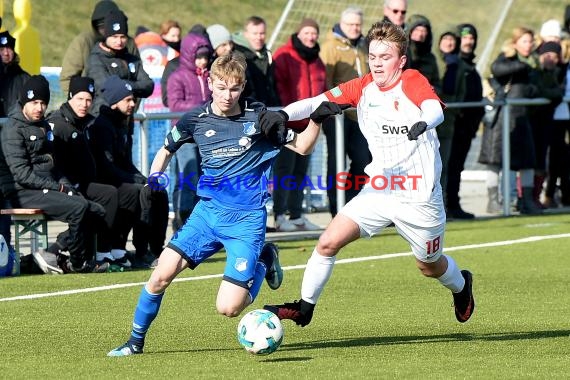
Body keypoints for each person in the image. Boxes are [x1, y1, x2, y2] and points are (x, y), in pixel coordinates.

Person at [106, 52, 345, 356]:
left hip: (245, 221)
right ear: (210, 83)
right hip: (206, 215)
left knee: (229, 308)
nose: (226, 95)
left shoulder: (260, 118)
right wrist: (155, 176)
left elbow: (302, 147)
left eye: (233, 88)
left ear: (243, 85)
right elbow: (166, 149)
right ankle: (134, 343)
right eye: (220, 87)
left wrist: (316, 120)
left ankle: (263, 259)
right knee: (159, 277)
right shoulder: (196, 118)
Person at [263, 22, 475, 328]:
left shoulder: (412, 80)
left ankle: (461, 285)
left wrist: (424, 123)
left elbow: (434, 108)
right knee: (327, 243)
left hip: (419, 196)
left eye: (384, 57)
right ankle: (304, 308)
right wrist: (282, 114)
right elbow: (316, 102)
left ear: (400, 60)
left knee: (429, 266)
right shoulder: (362, 87)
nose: (376, 62)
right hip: (380, 188)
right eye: (373, 56)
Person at [0, 75, 108, 274]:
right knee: (79, 208)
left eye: (43, 103)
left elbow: (54, 167)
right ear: (24, 101)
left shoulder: (43, 125)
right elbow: (21, 174)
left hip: (44, 186)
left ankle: (53, 252)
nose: (39, 108)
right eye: (34, 103)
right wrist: (57, 188)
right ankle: (77, 263)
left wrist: (67, 187)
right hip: (21, 191)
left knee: (97, 211)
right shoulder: (12, 129)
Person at [90, 75, 169, 268]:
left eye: (133, 99)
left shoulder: (122, 123)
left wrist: (145, 178)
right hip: (105, 181)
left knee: (158, 190)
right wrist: (139, 182)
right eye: (128, 100)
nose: (133, 104)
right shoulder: (103, 126)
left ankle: (157, 249)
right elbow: (106, 167)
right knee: (141, 191)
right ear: (115, 102)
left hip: (119, 177)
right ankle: (141, 251)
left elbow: (125, 162)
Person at [48, 76, 119, 264]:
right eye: (79, 99)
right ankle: (60, 249)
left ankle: (105, 249)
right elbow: (52, 166)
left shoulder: (87, 123)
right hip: (63, 187)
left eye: (88, 100)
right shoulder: (58, 125)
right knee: (99, 201)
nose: (84, 104)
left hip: (81, 182)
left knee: (114, 193)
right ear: (70, 97)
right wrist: (69, 186)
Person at [479, 27, 542, 215]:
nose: (528, 45)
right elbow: (497, 70)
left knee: (527, 161)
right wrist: (524, 66)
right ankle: (493, 201)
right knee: (495, 161)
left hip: (521, 119)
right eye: (524, 41)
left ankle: (526, 200)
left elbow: (536, 88)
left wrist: (531, 89)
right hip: (501, 118)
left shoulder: (532, 63)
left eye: (530, 41)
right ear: (515, 43)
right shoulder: (507, 59)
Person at [272, 18, 326, 232]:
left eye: (314, 33)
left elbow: (322, 89)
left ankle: (296, 215)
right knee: (284, 170)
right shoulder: (284, 55)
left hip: (309, 124)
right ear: (298, 33)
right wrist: (290, 113)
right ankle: (279, 215)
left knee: (301, 171)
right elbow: (280, 86)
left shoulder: (317, 60)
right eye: (306, 32)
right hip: (290, 122)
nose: (311, 37)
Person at [319, 6, 371, 216]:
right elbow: (326, 80)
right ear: (341, 24)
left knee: (363, 161)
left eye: (358, 24)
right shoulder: (330, 47)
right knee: (336, 163)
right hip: (338, 117)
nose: (354, 28)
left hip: (360, 117)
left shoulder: (363, 46)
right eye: (350, 24)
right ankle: (336, 209)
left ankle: (351, 203)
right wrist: (331, 110)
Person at [167, 32, 213, 230]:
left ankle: (199, 222)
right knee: (188, 178)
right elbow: (175, 104)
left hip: (205, 135)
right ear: (188, 55)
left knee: (204, 178)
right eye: (198, 57)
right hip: (185, 136)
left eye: (205, 57)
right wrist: (202, 107)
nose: (202, 61)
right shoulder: (177, 77)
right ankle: (183, 219)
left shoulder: (209, 77)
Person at [445, 24, 485, 220]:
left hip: (467, 127)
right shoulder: (454, 63)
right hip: (455, 124)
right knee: (449, 165)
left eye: (472, 37)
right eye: (465, 37)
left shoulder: (470, 65)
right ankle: (448, 204)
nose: (469, 41)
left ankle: (453, 203)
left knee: (457, 166)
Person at [59, 0, 140, 94]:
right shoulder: (84, 42)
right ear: (96, 26)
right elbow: (67, 77)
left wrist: (130, 105)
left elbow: (139, 80)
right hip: (90, 102)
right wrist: (78, 102)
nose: (107, 31)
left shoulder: (129, 44)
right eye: (102, 27)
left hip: (124, 102)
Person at [86, 9, 154, 118]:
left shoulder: (131, 59)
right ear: (106, 37)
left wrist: (125, 85)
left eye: (122, 37)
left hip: (126, 121)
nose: (119, 41)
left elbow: (148, 85)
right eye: (114, 37)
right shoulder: (96, 59)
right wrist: (132, 85)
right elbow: (106, 88)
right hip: (102, 117)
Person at [435, 29, 465, 212]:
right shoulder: (434, 61)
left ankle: (441, 205)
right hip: (428, 122)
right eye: (445, 38)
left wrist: (454, 111)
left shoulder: (458, 65)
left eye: (452, 40)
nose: (449, 42)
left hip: (448, 123)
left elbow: (460, 93)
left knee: (444, 166)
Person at [233, 16, 280, 107]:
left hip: (269, 108)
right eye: (255, 33)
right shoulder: (237, 57)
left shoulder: (267, 55)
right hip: (249, 110)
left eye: (262, 33)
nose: (259, 37)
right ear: (245, 34)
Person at [0, 30, 30, 118]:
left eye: (9, 49)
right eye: (1, 49)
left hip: (14, 128)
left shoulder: (25, 79)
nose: (6, 53)